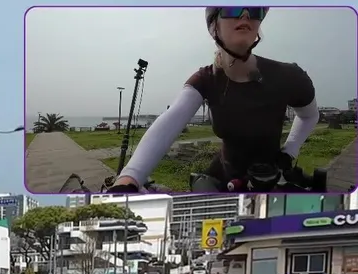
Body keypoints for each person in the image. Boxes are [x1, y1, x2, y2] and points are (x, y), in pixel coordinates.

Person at [111, 7, 319, 192]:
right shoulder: (206, 79)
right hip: (221, 178)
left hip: (272, 176)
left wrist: (289, 152)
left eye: (255, 9)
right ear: (214, 26)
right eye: (232, 8)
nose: (245, 15)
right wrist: (130, 177)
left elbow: (309, 116)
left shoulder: (288, 76)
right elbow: (170, 121)